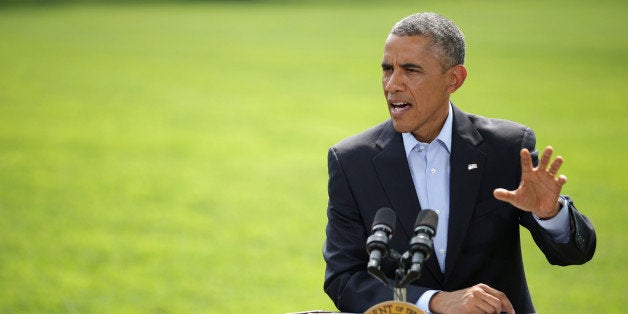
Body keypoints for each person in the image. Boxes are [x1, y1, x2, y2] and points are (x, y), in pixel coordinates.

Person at [322, 12, 596, 314]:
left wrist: (551, 215)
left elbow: (577, 252)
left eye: (411, 70)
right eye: (387, 69)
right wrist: (432, 302)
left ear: (454, 79)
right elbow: (345, 279)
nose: (392, 84)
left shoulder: (506, 149)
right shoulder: (351, 162)